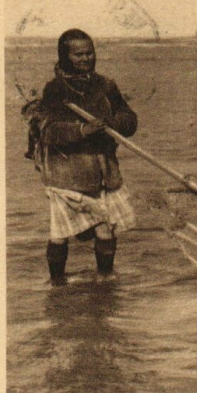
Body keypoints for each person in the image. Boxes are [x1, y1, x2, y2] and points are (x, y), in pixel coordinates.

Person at [34, 29, 138, 285]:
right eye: (78, 54)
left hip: (103, 170)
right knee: (60, 234)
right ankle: (56, 285)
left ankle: (106, 278)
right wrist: (83, 130)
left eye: (89, 52)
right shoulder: (55, 89)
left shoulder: (106, 85)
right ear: (65, 56)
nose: (85, 58)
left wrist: (114, 122)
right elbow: (48, 130)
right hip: (67, 173)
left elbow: (130, 119)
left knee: (106, 228)